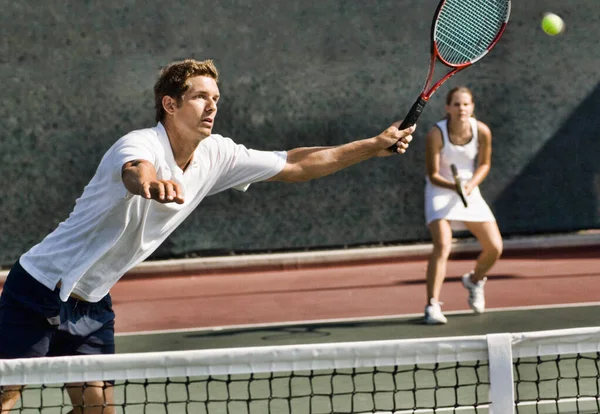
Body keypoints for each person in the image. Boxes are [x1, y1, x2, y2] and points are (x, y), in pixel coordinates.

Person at [0, 58, 415, 413]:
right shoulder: (140, 143)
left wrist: (370, 145)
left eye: (216, 98)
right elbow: (134, 170)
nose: (211, 106)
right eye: (200, 97)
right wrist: (151, 184)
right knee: (8, 392)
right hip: (39, 287)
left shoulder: (218, 153)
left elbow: (296, 164)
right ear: (170, 103)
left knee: (98, 408)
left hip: (91, 304)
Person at [423, 86, 502, 325]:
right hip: (440, 191)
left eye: (466, 104)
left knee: (495, 247)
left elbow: (484, 165)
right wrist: (453, 187)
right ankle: (432, 306)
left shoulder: (482, 131)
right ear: (447, 107)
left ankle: (474, 280)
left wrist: (469, 186)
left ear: (472, 107)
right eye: (456, 104)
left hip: (469, 189)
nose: (461, 109)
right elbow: (433, 173)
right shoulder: (436, 134)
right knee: (443, 244)